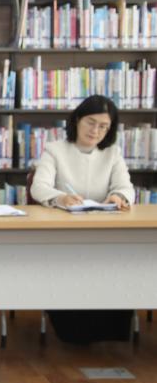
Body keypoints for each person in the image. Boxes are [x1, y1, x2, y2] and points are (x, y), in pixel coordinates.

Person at [30, 94, 135, 343]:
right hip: (63, 235)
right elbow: (39, 187)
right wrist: (61, 198)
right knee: (72, 269)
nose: (95, 131)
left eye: (103, 126)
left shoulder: (112, 153)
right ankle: (72, 331)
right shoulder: (55, 150)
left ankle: (112, 331)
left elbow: (126, 187)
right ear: (77, 119)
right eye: (91, 122)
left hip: (105, 233)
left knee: (119, 267)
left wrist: (118, 196)